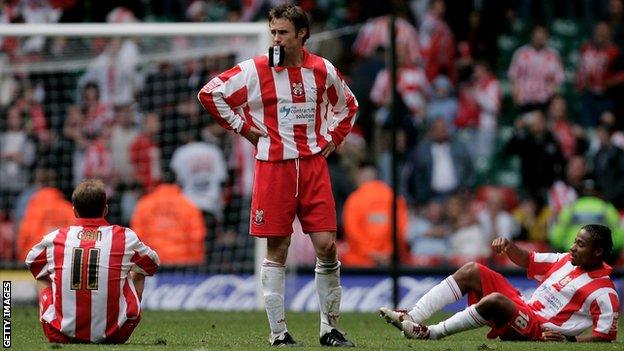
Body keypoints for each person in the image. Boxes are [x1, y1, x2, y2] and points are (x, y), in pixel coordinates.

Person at [197, 4, 358, 347]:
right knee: (278, 247)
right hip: (274, 168)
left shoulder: (321, 70)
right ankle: (278, 333)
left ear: (302, 35)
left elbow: (348, 106)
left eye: (283, 33)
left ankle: (329, 329)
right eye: (273, 32)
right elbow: (211, 93)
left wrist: (332, 138)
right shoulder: (257, 70)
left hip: (313, 167)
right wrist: (244, 129)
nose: (276, 39)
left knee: (327, 246)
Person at [379, 224, 619, 342]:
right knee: (472, 270)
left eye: (580, 244)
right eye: (575, 241)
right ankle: (412, 316)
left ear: (598, 252)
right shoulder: (566, 260)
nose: (572, 247)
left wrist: (570, 339)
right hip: (524, 306)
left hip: (538, 329)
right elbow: (528, 259)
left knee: (495, 301)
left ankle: (430, 334)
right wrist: (508, 245)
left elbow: (606, 335)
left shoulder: (604, 292)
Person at [25, 179, 160, 344]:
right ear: (105, 210)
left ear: (74, 211)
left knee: (42, 273)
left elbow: (31, 261)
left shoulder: (56, 238)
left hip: (60, 334)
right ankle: (118, 318)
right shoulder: (125, 237)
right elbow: (152, 264)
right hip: (115, 335)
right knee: (140, 269)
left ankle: (59, 318)